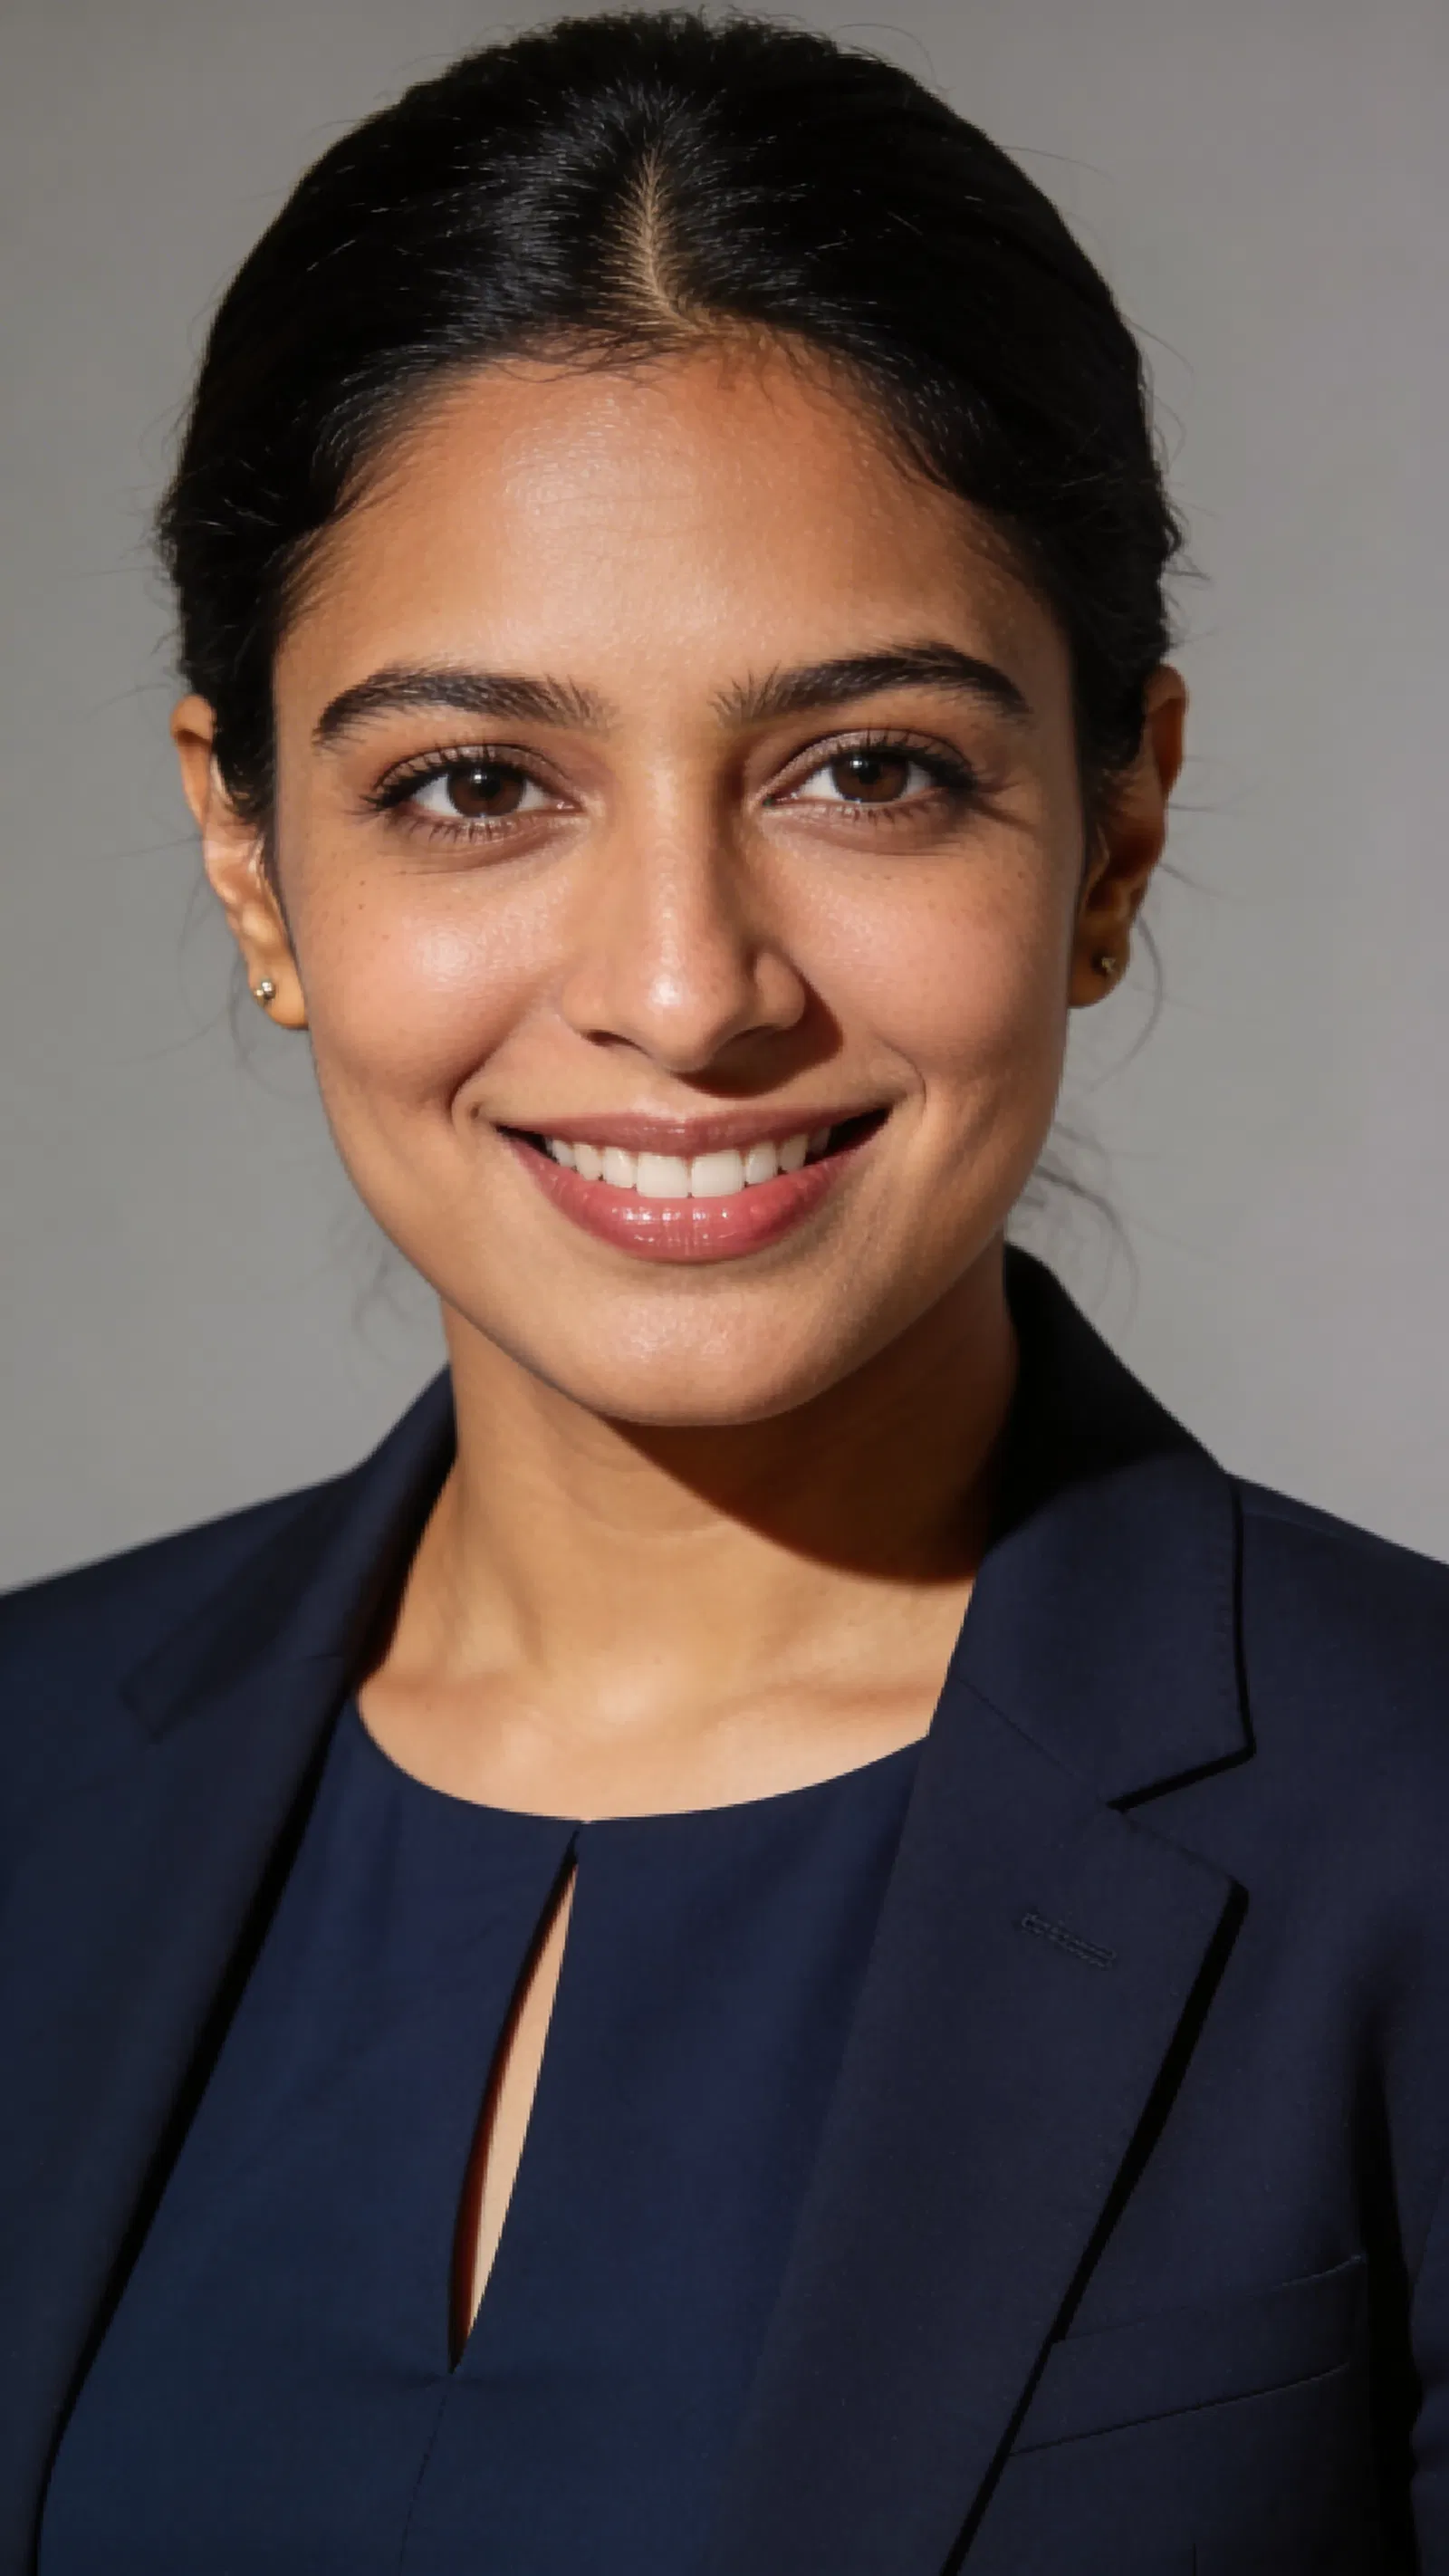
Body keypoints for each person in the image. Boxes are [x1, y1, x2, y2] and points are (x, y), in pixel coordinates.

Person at [2, 10, 1446, 2571]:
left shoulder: (1409, 1835)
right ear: (252, 862)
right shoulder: (23, 1773)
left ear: (1118, 828)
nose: (685, 987)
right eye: (475, 784)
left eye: (867, 767)